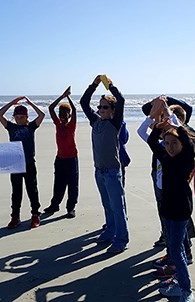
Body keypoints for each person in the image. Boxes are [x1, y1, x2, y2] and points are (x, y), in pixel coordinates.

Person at [147, 111, 195, 301]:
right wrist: (158, 129)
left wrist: (175, 126)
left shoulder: (185, 159)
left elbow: (189, 145)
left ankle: (186, 290)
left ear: (181, 144)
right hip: (166, 210)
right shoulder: (165, 158)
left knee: (175, 250)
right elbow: (152, 143)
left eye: (174, 143)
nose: (170, 147)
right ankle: (178, 280)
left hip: (180, 211)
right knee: (176, 249)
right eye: (167, 144)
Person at [80, 75, 129, 254]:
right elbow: (84, 102)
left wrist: (110, 85)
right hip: (99, 171)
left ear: (113, 110)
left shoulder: (115, 123)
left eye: (105, 107)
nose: (100, 110)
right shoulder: (95, 122)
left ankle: (122, 239)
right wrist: (93, 85)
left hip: (112, 172)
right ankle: (109, 231)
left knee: (118, 207)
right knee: (107, 205)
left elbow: (121, 99)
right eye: (99, 107)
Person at [0, 96, 45, 229]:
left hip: (29, 163)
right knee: (16, 191)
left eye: (22, 116)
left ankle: (35, 215)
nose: (19, 118)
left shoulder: (31, 127)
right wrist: (12, 103)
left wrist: (30, 103)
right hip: (15, 164)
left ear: (26, 117)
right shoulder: (11, 127)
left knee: (32, 190)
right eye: (17, 116)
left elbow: (42, 114)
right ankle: (15, 217)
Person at [43, 86, 79, 218]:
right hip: (60, 159)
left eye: (65, 114)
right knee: (58, 183)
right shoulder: (57, 124)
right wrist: (62, 96)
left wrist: (68, 97)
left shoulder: (71, 125)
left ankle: (71, 208)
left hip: (71, 159)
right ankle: (54, 205)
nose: (62, 116)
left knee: (72, 184)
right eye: (61, 114)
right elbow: (50, 108)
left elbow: (75, 109)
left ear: (69, 116)